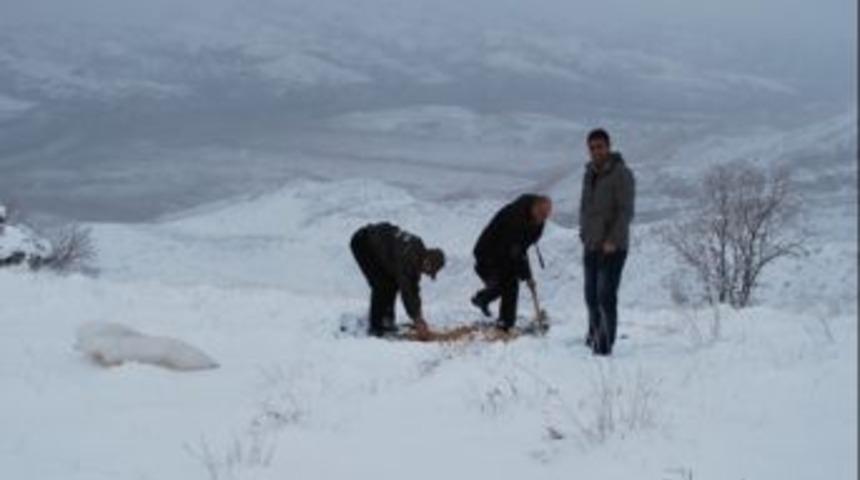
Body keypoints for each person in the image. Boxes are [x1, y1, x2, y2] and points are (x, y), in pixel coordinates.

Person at [579, 128, 635, 356]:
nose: (596, 152)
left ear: (608, 146)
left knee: (605, 296)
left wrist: (612, 239)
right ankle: (593, 334)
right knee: (590, 296)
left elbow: (626, 211)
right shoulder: (589, 173)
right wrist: (583, 231)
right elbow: (585, 206)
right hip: (591, 244)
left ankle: (604, 345)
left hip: (613, 247)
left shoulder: (621, 174)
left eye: (600, 147)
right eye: (592, 148)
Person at [471, 194, 552, 331]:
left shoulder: (536, 222)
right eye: (541, 214)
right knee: (507, 283)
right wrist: (526, 276)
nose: (543, 219)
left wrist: (527, 276)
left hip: (506, 252)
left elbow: (522, 248)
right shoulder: (515, 217)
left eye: (546, 215)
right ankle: (504, 323)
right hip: (487, 253)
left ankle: (489, 306)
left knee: (509, 282)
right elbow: (515, 250)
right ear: (534, 207)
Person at [350, 222, 445, 339]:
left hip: (377, 247)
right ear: (427, 263)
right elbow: (406, 290)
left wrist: (419, 317)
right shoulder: (408, 256)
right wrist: (417, 319)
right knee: (381, 285)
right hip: (363, 243)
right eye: (429, 272)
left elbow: (413, 289)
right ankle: (376, 327)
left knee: (391, 283)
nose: (426, 274)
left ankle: (387, 320)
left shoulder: (417, 254)